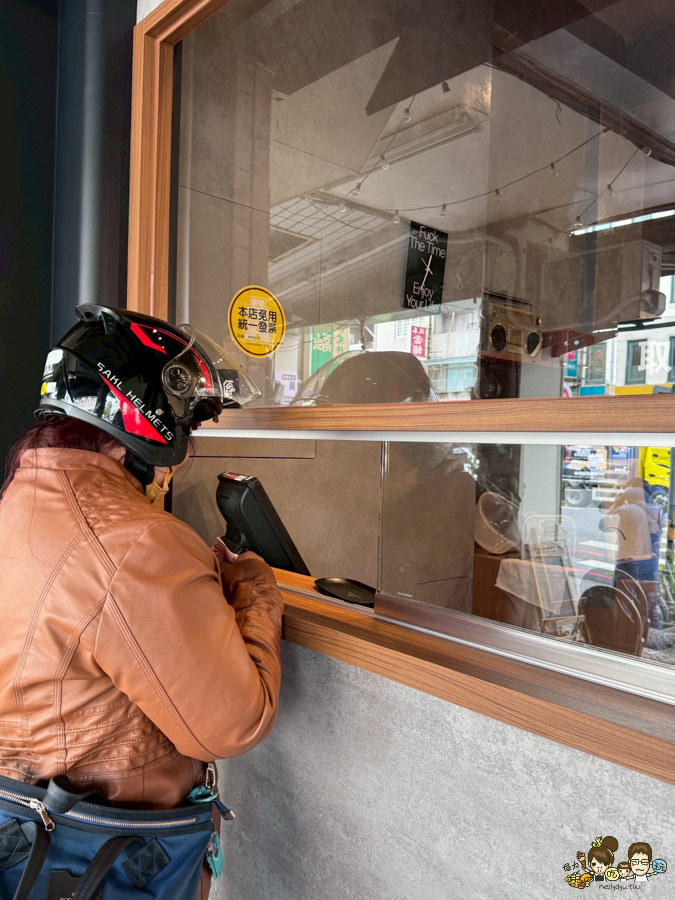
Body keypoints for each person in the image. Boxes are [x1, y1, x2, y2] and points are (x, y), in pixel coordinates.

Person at [0, 305, 284, 898]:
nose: (185, 451)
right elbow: (234, 723)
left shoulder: (20, 502)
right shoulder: (136, 540)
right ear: (147, 417)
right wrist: (254, 586)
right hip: (101, 860)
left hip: (22, 837)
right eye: (188, 424)